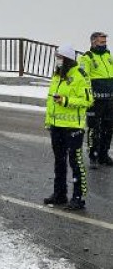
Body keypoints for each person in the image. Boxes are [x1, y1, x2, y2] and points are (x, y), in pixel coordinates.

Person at [44, 44, 93, 210]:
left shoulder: (80, 75)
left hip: (73, 127)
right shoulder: (57, 76)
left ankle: (78, 197)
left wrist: (66, 101)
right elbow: (51, 101)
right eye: (57, 58)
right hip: (57, 126)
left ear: (68, 59)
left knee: (76, 162)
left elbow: (87, 100)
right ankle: (59, 194)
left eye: (60, 58)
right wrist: (49, 122)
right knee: (59, 161)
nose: (57, 61)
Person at [78, 31, 113, 168]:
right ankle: (94, 156)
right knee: (94, 129)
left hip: (109, 100)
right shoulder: (87, 58)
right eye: (101, 42)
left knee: (108, 128)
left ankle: (104, 155)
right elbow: (83, 79)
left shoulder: (108, 56)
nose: (104, 44)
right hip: (95, 101)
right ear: (93, 42)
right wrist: (88, 97)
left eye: (105, 42)